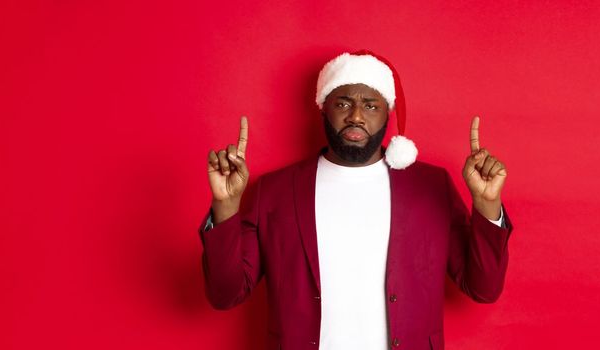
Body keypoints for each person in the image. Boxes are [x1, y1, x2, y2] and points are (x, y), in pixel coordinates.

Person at [200, 50, 513, 349]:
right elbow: (225, 294)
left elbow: (483, 288)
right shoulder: (275, 191)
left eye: (371, 106)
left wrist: (487, 206)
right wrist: (225, 206)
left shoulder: (431, 186)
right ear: (324, 107)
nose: (357, 116)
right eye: (343, 103)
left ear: (387, 112)